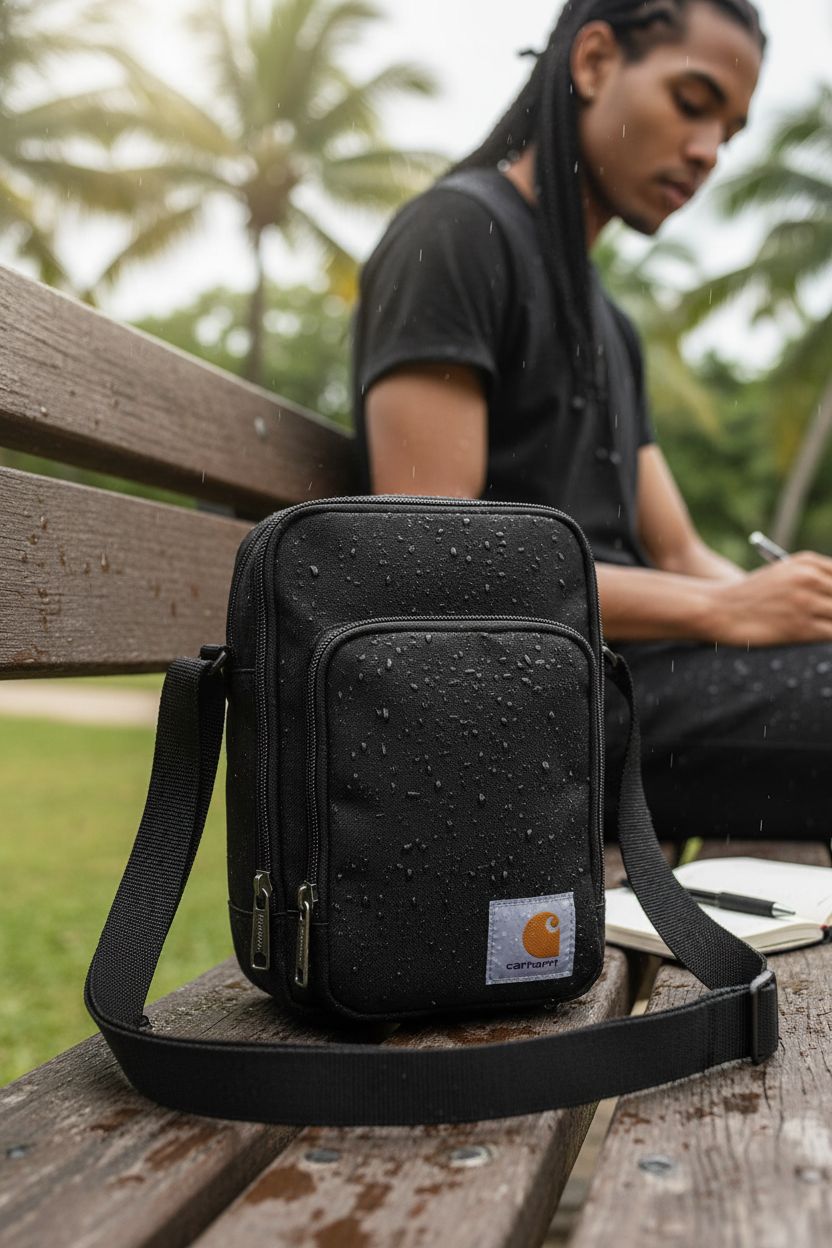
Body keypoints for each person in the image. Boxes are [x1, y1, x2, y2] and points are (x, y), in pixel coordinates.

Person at [349, 0, 832, 843]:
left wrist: (793, 606)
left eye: (731, 131)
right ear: (596, 60)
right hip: (532, 709)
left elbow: (679, 549)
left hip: (628, 685)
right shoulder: (459, 234)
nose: (708, 152)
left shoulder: (611, 324)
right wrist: (726, 614)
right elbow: (433, 560)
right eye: (692, 102)